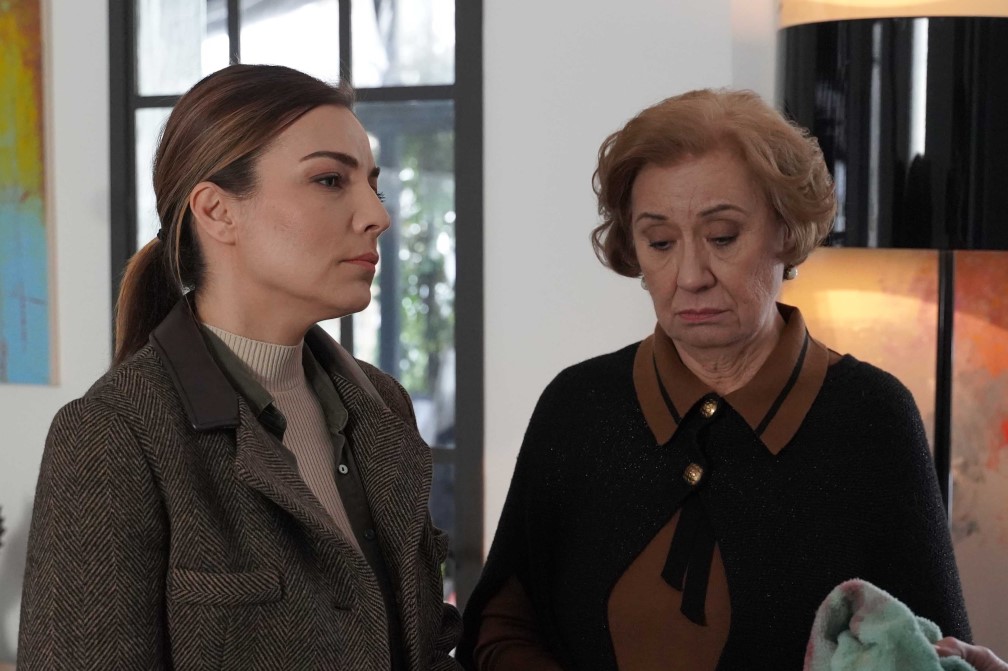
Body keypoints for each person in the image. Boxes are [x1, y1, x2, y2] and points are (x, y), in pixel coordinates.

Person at [457, 89, 972, 670]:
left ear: (786, 231)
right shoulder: (578, 406)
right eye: (659, 242)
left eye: (723, 237)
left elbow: (931, 653)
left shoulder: (870, 415)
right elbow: (501, 623)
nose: (690, 275)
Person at [17, 64, 461, 670]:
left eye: (372, 185)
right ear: (217, 211)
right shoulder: (113, 434)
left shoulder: (381, 404)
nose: (377, 215)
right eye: (331, 180)